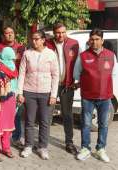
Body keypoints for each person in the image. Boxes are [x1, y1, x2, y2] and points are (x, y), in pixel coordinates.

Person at [74, 28, 118, 162]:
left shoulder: (111, 55)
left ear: (102, 40)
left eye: (97, 39)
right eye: (92, 39)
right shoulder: (83, 56)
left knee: (103, 124)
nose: (94, 42)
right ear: (89, 40)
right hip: (88, 96)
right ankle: (85, 148)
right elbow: (77, 74)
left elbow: (114, 74)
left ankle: (100, 149)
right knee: (86, 124)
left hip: (105, 96)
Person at [18, 30, 59, 159]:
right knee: (29, 120)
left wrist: (53, 95)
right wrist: (20, 92)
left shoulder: (51, 54)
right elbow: (22, 73)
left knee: (45, 121)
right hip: (29, 91)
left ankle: (43, 147)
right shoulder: (27, 53)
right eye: (33, 39)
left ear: (43, 40)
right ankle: (28, 146)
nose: (34, 41)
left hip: (46, 92)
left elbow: (55, 75)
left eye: (37, 39)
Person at [46, 22, 79, 155]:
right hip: (50, 86)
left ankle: (69, 142)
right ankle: (43, 142)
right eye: (58, 32)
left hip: (67, 86)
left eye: (63, 32)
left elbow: (78, 64)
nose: (61, 35)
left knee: (67, 115)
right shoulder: (47, 43)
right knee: (47, 114)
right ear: (54, 33)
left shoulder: (74, 44)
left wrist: (76, 82)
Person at [0, 26, 26, 146]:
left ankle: (16, 137)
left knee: (16, 113)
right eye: (6, 33)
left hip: (17, 84)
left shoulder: (21, 48)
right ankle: (1, 138)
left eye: (11, 33)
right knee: (3, 113)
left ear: (15, 34)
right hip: (3, 86)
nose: (9, 35)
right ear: (3, 35)